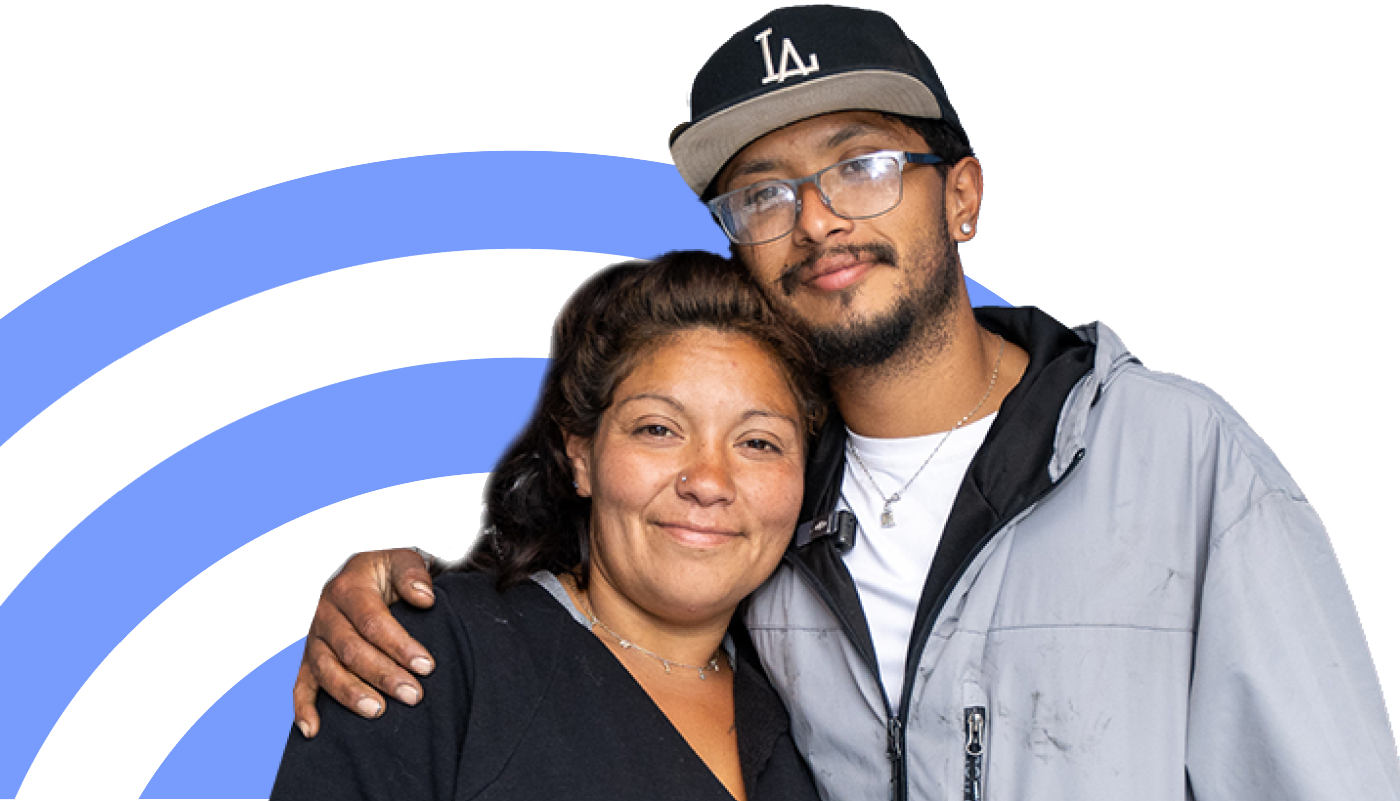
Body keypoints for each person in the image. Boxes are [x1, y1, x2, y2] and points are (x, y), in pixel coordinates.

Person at [292, 6, 1400, 800]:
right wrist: (389, 592)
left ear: (958, 195)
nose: (817, 219)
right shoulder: (759, 520)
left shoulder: (1175, 456)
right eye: (764, 194)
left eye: (860, 163)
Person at [270, 251, 825, 800]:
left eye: (758, 442)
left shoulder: (811, 718)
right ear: (581, 455)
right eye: (658, 429)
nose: (708, 480)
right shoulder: (430, 654)